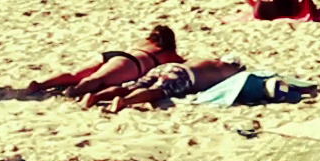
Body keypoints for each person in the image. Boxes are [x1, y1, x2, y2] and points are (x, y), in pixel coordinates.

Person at [29, 26, 181, 100]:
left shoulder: (144, 42)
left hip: (113, 54)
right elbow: (181, 64)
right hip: (131, 63)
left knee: (74, 74)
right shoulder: (167, 52)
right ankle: (72, 93)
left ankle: (40, 84)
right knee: (97, 79)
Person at [83, 58, 243, 113]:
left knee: (132, 86)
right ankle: (125, 101)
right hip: (184, 75)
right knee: (157, 91)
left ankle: (95, 97)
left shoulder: (206, 60)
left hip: (169, 66)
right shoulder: (231, 70)